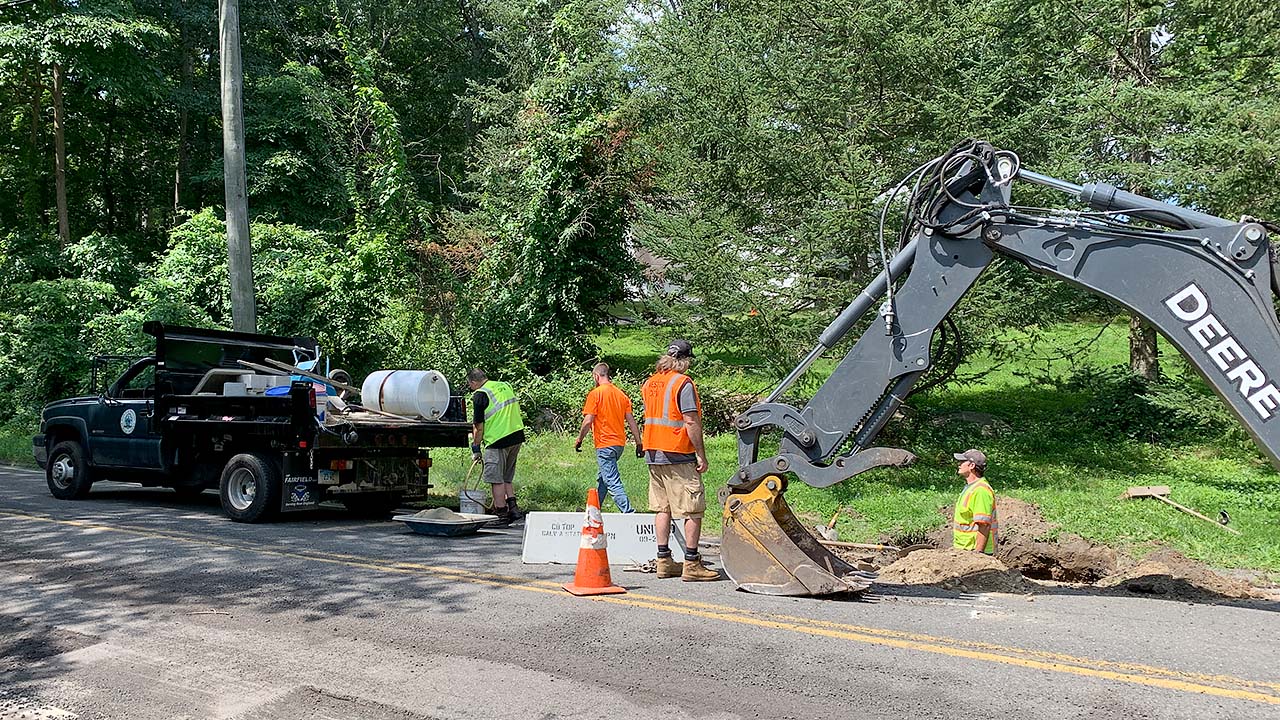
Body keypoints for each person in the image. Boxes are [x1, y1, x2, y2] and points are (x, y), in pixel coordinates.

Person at [641, 340, 720, 581]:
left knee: (662, 507)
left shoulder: (650, 383)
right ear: (685, 361)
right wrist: (701, 454)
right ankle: (692, 563)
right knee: (693, 509)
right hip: (677, 452)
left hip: (653, 453)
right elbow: (691, 421)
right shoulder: (683, 383)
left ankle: (663, 561)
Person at [574, 363, 643, 513]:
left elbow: (588, 420)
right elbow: (631, 421)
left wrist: (579, 439)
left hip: (605, 444)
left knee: (611, 479)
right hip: (619, 445)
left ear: (596, 376)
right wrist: (639, 443)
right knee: (603, 478)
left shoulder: (595, 394)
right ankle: (593, 509)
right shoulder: (621, 395)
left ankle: (628, 512)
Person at [468, 369, 525, 526]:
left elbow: (478, 426)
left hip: (498, 440)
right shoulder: (504, 385)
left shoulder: (480, 394)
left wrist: (476, 447)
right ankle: (513, 510)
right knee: (507, 476)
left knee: (496, 479)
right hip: (516, 435)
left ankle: (501, 514)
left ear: (473, 382)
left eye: (470, 385)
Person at [952, 448, 997, 554]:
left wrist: (978, 554)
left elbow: (984, 525)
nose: (959, 464)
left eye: (963, 461)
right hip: (965, 549)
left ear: (972, 466)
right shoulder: (971, 487)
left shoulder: (980, 491)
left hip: (974, 551)